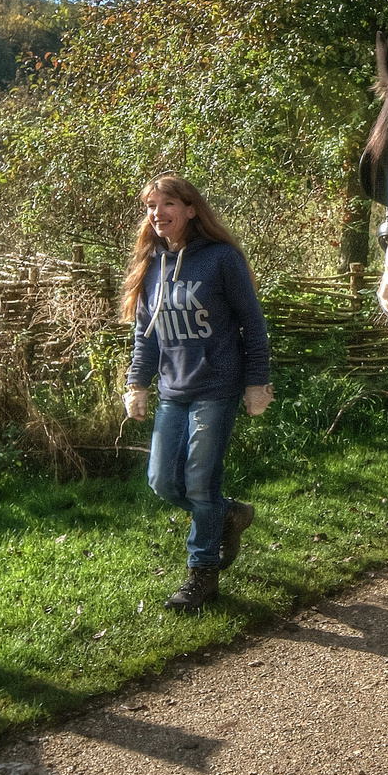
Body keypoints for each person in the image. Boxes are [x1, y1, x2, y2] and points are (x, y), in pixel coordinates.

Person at [121, 175, 273, 611]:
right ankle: (229, 515)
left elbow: (252, 324)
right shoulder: (152, 264)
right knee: (163, 481)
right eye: (152, 206)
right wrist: (137, 383)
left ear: (191, 209)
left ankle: (201, 574)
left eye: (168, 203)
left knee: (201, 482)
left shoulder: (222, 259)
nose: (158, 213)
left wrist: (256, 382)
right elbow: (145, 335)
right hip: (173, 388)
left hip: (217, 385)